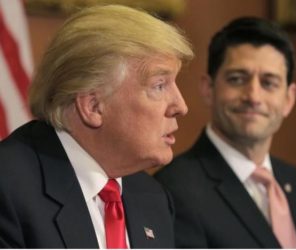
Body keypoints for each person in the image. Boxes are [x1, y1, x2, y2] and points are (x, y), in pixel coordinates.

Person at [0, 5, 193, 248]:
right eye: (159, 85)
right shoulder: (8, 188)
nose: (181, 106)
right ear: (93, 106)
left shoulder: (153, 198)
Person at [155, 17, 296, 248]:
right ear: (208, 89)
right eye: (237, 79)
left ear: (289, 99)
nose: (253, 97)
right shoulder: (173, 190)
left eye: (269, 83)